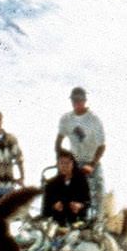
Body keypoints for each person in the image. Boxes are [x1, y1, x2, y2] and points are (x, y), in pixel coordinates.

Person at [54, 85, 106, 223]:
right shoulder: (67, 119)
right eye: (74, 100)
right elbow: (59, 141)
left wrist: (92, 165)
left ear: (84, 101)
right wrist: (60, 160)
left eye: (79, 100)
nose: (76, 103)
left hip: (91, 161)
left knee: (99, 189)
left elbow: (102, 146)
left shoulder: (94, 120)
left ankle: (98, 223)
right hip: (74, 162)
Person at [40, 148, 94, 227]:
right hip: (57, 225)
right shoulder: (51, 184)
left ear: (72, 164)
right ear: (57, 164)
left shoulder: (81, 180)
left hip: (78, 223)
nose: (64, 166)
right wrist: (54, 206)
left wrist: (79, 206)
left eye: (67, 163)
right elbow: (45, 211)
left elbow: (88, 202)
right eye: (62, 163)